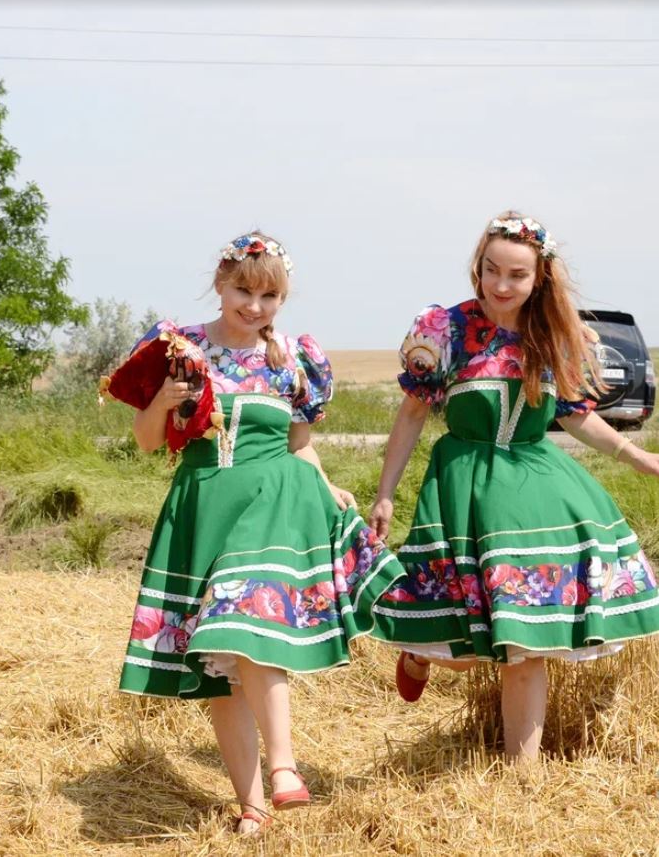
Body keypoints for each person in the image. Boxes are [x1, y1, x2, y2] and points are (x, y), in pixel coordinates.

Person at [117, 232, 404, 834]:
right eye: (244, 290)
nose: (254, 305)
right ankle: (252, 806)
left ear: (282, 298)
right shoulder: (180, 349)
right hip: (204, 504)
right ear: (220, 282)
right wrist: (163, 401)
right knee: (217, 659)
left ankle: (284, 768)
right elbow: (146, 443)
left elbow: (301, 445)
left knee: (246, 624)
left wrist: (329, 490)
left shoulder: (292, 360)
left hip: (276, 501)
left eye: (269, 295)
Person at [368, 210, 659, 762]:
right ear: (477, 268)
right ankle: (421, 655)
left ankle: (521, 777)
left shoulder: (556, 334)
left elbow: (573, 415)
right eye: (491, 270)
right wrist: (386, 493)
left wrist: (634, 454)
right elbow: (410, 417)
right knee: (467, 643)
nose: (501, 285)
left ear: (539, 278)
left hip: (534, 483)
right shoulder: (444, 329)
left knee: (527, 641)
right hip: (465, 484)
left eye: (516, 275)